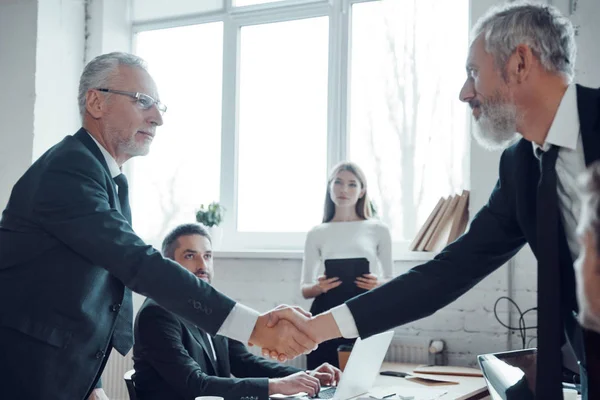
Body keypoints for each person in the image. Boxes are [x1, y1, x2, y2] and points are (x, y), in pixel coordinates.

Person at [265, 3, 600, 399]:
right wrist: (317, 327)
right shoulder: (521, 167)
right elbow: (445, 274)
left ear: (520, 63)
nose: (465, 93)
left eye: (473, 72)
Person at [0, 52, 314, 400]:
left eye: (159, 105)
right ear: (96, 102)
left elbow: (71, 292)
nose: (157, 118)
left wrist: (92, 383)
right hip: (25, 372)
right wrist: (254, 326)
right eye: (143, 101)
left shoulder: (100, 174)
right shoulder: (69, 169)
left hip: (63, 373)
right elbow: (137, 262)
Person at [133, 223, 342, 400]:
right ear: (168, 264)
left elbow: (243, 362)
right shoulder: (157, 314)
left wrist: (307, 376)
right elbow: (194, 384)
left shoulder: (210, 309)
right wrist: (276, 386)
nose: (202, 265)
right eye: (190, 256)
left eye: (207, 256)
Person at [300, 162, 392, 369]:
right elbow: (305, 289)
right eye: (338, 182)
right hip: (325, 314)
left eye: (352, 184)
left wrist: (377, 284)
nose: (344, 189)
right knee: (321, 379)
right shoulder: (317, 232)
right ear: (329, 187)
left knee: (360, 376)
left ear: (362, 191)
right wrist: (319, 287)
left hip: (363, 311)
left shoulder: (378, 229)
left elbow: (392, 281)